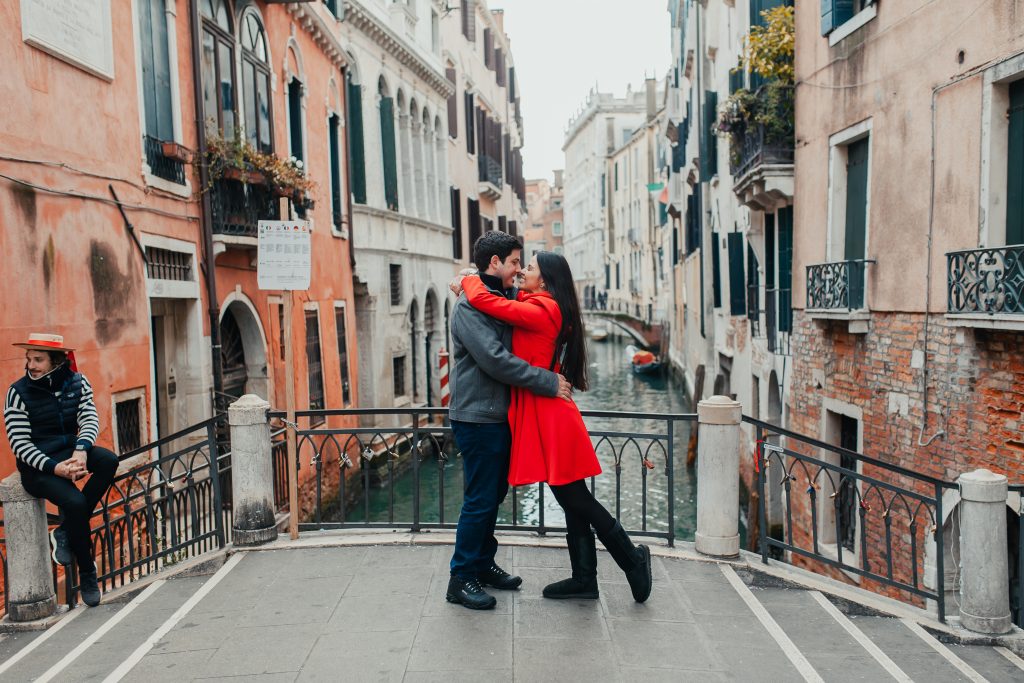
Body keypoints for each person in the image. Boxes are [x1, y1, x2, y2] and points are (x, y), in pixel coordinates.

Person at [454, 251, 653, 603]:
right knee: (569, 497)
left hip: (551, 414)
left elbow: (491, 302)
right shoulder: (536, 302)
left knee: (575, 497)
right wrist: (475, 281)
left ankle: (632, 558)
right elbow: (502, 299)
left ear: (544, 279)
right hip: (542, 411)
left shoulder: (542, 309)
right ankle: (584, 579)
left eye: (528, 267)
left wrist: (466, 281)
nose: (522, 272)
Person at [446, 233, 573, 610]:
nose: (519, 271)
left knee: (493, 497)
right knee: (479, 499)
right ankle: (461, 577)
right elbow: (495, 359)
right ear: (495, 262)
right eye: (516, 262)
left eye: (522, 264)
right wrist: (547, 382)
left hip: (498, 415)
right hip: (476, 415)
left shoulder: (504, 297)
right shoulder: (469, 307)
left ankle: (482, 564)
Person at [3, 333, 119, 607]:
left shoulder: (78, 382)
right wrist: (56, 469)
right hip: (38, 467)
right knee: (76, 502)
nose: (31, 365)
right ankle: (88, 574)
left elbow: (89, 416)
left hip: (70, 451)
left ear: (56, 361)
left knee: (108, 460)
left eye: (38, 359)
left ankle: (64, 531)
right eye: (29, 359)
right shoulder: (17, 393)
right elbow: (19, 444)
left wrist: (81, 451)